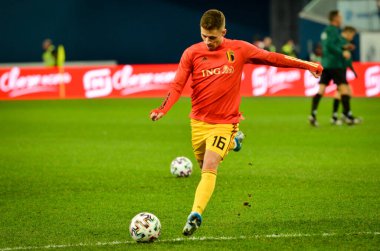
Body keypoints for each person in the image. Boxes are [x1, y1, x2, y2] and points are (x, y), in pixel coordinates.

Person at [150, 9, 322, 236]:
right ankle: (234, 143)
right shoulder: (191, 53)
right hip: (199, 124)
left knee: (210, 168)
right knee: (203, 165)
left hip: (225, 122)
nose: (208, 41)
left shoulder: (239, 49)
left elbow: (274, 58)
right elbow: (177, 85)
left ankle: (195, 214)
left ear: (224, 32)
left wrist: (308, 65)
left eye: (213, 37)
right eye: (204, 36)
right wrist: (163, 109)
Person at [309, 10, 360, 127]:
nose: (341, 18)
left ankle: (313, 114)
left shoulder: (326, 31)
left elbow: (330, 45)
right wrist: (342, 52)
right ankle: (347, 116)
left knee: (321, 90)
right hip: (335, 65)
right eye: (340, 16)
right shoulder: (333, 30)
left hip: (326, 64)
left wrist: (344, 47)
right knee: (345, 90)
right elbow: (331, 46)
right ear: (336, 18)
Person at [330, 26, 361, 125]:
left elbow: (347, 59)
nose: (352, 37)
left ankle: (340, 115)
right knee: (345, 91)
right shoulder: (340, 41)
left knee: (342, 92)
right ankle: (346, 116)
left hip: (341, 69)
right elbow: (335, 52)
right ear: (348, 33)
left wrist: (352, 69)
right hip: (337, 69)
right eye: (352, 35)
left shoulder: (343, 42)